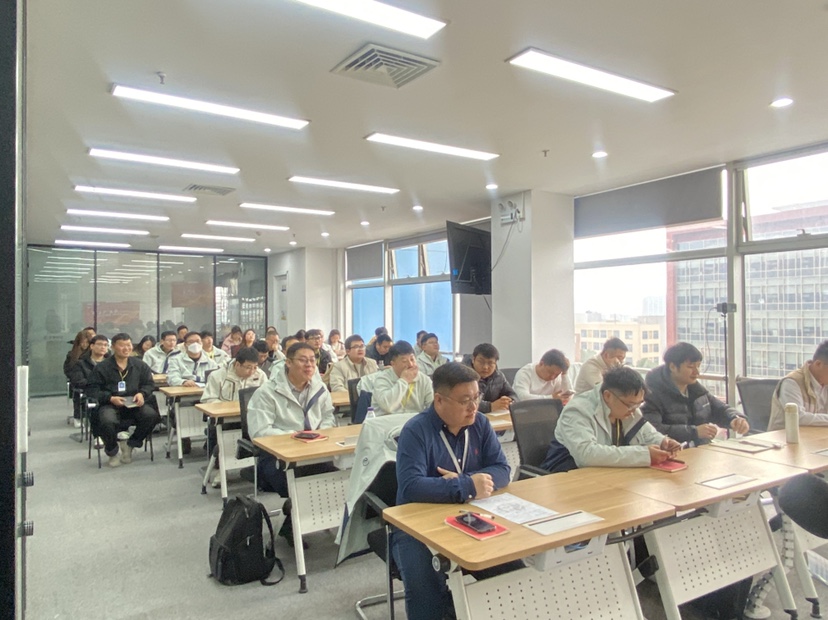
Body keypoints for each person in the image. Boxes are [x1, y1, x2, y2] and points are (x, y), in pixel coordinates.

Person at [393, 362, 521, 620]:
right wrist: (466, 486)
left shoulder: (480, 423)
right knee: (426, 591)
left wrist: (465, 482)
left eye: (476, 398)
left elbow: (501, 469)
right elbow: (411, 486)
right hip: (417, 527)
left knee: (514, 572)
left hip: (474, 517)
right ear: (439, 400)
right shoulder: (416, 431)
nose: (473, 407)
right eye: (465, 401)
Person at [246, 342, 337, 545]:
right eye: (303, 360)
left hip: (314, 454)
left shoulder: (319, 388)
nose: (309, 365)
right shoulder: (267, 393)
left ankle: (294, 518)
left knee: (337, 479)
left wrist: (320, 434)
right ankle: (293, 521)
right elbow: (259, 432)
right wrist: (296, 437)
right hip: (277, 459)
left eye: (312, 360)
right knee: (311, 484)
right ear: (288, 363)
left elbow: (328, 417)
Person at [541, 366, 682, 472]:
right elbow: (586, 455)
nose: (634, 410)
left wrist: (663, 442)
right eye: (630, 405)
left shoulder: (625, 407)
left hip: (607, 474)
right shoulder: (577, 410)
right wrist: (644, 454)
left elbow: (645, 432)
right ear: (608, 395)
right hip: (569, 475)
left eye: (639, 404)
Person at [641, 342, 749, 444]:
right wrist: (694, 432)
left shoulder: (697, 392)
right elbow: (652, 430)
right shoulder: (651, 395)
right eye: (690, 367)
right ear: (672, 367)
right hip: (672, 452)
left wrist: (735, 418)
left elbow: (720, 409)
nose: (697, 372)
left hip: (701, 450)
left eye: (698, 366)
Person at [86, 333, 160, 468]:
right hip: (110, 404)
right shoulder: (102, 367)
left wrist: (142, 394)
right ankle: (112, 451)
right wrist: (110, 398)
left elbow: (149, 384)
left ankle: (131, 445)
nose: (126, 348)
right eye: (122, 345)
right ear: (113, 347)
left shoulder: (140, 365)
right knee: (107, 420)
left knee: (151, 415)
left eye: (129, 345)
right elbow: (92, 389)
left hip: (134, 403)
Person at [768, 340, 828, 431]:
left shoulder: (825, 383)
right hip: (785, 437)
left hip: (816, 437)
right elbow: (798, 418)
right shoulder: (792, 383)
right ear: (818, 364)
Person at [371, 341, 434, 416]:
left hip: (414, 421)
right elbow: (388, 406)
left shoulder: (424, 380)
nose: (410, 364)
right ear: (393, 364)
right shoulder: (382, 379)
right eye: (404, 361)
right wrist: (404, 381)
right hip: (387, 421)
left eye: (412, 359)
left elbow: (432, 407)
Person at [67, 335, 110, 426]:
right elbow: (78, 381)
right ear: (92, 346)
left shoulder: (112, 363)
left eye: (105, 345)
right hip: (90, 393)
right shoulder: (80, 363)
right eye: (100, 344)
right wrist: (95, 385)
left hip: (110, 393)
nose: (103, 347)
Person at [464, 343, 517, 413]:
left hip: (494, 416)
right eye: (481, 362)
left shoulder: (499, 376)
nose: (485, 367)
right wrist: (490, 406)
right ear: (473, 359)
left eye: (490, 363)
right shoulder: (463, 376)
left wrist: (509, 401)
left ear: (495, 363)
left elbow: (513, 395)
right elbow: (465, 402)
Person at [201, 346, 267, 403]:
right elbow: (208, 399)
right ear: (237, 364)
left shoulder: (260, 375)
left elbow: (266, 397)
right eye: (248, 367)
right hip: (225, 412)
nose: (252, 372)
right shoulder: (217, 376)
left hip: (251, 413)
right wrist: (227, 408)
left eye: (255, 367)